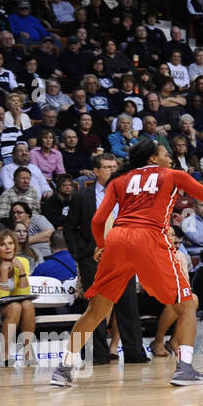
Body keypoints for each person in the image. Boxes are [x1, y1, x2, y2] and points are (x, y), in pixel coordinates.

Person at [51, 139, 203, 387]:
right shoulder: (173, 174)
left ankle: (64, 367)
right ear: (154, 158)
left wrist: (101, 244)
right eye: (166, 154)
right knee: (188, 303)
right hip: (149, 238)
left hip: (118, 239)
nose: (170, 158)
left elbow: (98, 220)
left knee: (97, 309)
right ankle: (185, 369)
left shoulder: (119, 181)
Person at [61, 152, 144, 365]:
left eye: (114, 166)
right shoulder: (82, 196)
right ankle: (99, 355)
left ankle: (135, 353)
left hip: (123, 256)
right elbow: (70, 228)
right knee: (96, 307)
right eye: (106, 167)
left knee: (128, 305)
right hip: (93, 258)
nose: (111, 170)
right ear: (96, 171)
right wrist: (79, 253)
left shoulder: (128, 195)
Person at [0, 229, 35, 366]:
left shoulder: (22, 262)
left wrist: (21, 271)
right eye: (3, 244)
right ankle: (4, 354)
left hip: (18, 305)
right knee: (16, 307)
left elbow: (25, 292)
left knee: (27, 304)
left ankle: (28, 351)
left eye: (10, 243)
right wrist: (3, 272)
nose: (8, 247)